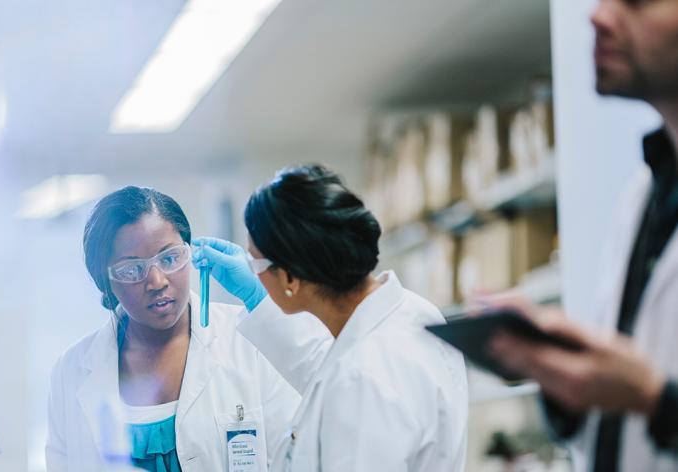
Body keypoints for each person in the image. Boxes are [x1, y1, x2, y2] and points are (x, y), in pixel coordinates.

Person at [485, 1, 678, 470]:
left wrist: (655, 400)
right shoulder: (643, 194)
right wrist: (562, 375)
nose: (597, 16)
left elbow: (653, 395)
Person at [193, 164, 469, 471]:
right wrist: (258, 299)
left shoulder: (362, 380)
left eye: (254, 263)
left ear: (289, 278)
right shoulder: (414, 313)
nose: (254, 275)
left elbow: (352, 381)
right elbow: (326, 365)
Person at [45, 187, 300, 472]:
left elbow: (297, 456)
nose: (156, 281)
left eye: (169, 259)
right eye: (132, 270)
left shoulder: (250, 342)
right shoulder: (71, 371)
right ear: (105, 281)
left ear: (191, 254)